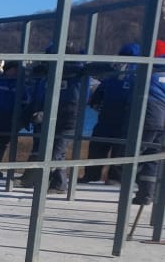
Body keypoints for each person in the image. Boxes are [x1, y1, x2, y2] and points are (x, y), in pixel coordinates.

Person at [19, 44, 88, 194]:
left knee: (55, 153)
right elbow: (36, 98)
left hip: (66, 121)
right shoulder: (45, 76)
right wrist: (27, 116)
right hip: (45, 120)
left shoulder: (76, 74)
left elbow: (69, 103)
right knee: (50, 152)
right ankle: (56, 183)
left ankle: (41, 181)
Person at [81, 43, 138, 184]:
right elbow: (100, 91)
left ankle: (111, 177)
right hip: (109, 119)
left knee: (117, 149)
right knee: (100, 147)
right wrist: (96, 103)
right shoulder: (116, 74)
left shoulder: (133, 75)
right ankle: (96, 175)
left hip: (120, 120)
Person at [133, 41, 165, 205]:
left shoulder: (149, 73)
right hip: (162, 121)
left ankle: (135, 186)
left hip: (149, 118)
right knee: (153, 157)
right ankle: (146, 194)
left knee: (134, 154)